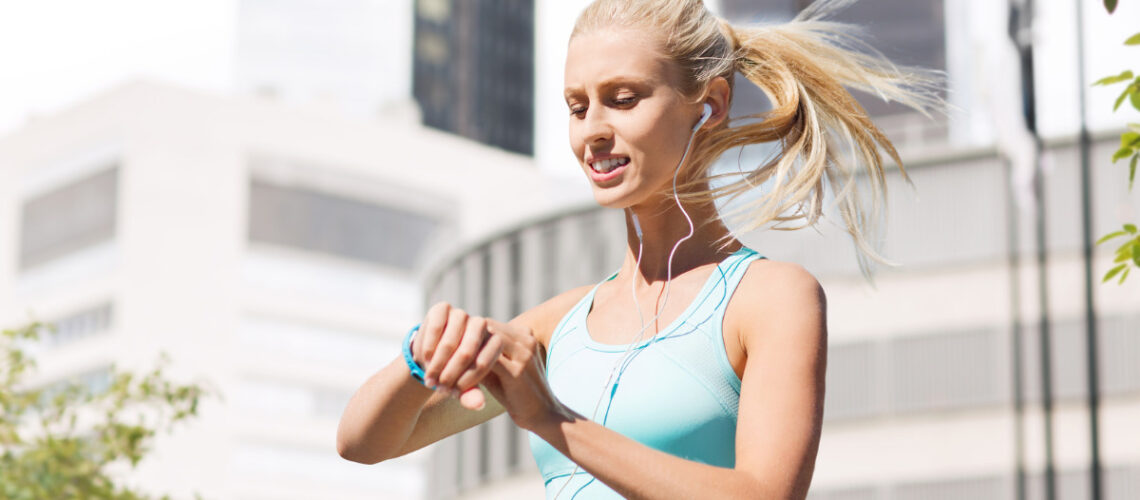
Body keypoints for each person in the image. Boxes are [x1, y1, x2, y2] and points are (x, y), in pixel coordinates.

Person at [337, 0, 938, 498]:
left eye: (623, 98)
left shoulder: (772, 299)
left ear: (711, 105)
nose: (593, 129)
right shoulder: (560, 324)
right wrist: (423, 360)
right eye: (578, 107)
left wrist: (551, 418)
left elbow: (764, 496)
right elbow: (362, 443)